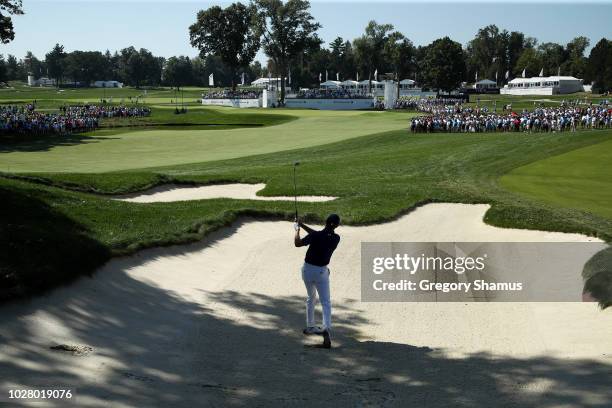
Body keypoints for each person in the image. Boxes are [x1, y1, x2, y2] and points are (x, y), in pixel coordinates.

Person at [294, 214, 341, 349]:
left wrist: (297, 230)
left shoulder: (316, 236)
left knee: (311, 297)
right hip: (322, 272)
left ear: (325, 222)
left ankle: (310, 327)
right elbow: (318, 234)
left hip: (307, 271)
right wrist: (302, 225)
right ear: (336, 226)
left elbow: (298, 243)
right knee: (325, 302)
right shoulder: (336, 238)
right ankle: (326, 329)